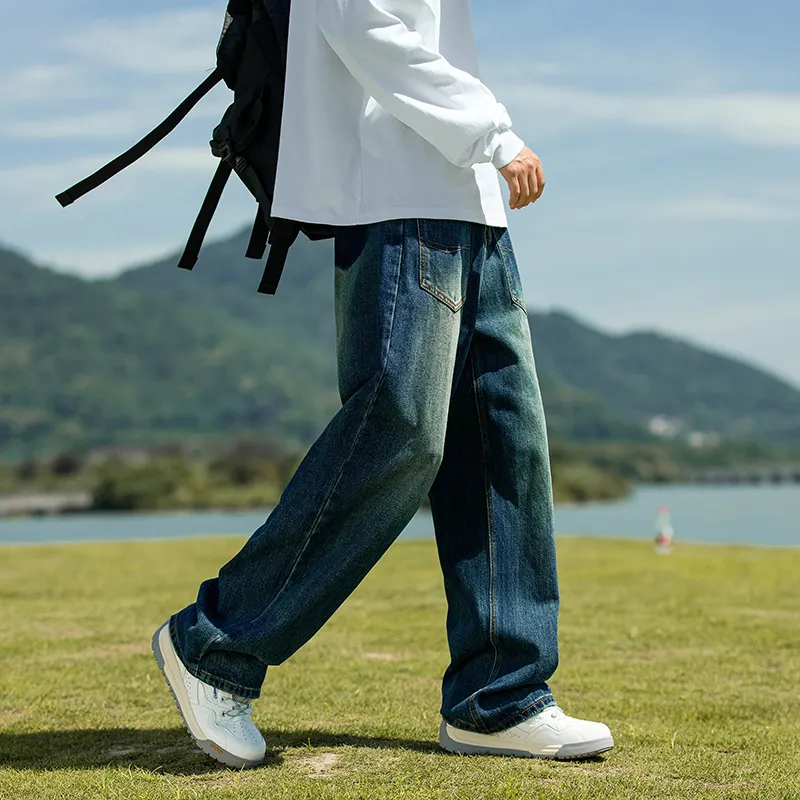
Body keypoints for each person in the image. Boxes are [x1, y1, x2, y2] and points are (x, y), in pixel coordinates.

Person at [152, 0, 614, 768]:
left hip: (470, 204)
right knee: (398, 429)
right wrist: (493, 133)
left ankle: (498, 700)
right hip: (398, 198)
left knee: (504, 447)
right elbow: (359, 21)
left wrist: (483, 153)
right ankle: (215, 645)